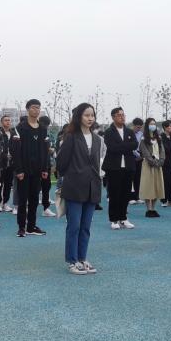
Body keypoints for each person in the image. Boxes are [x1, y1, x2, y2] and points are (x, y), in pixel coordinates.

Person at [56, 103, 103, 273]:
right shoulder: (71, 137)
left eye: (92, 115)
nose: (90, 118)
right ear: (79, 117)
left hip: (92, 187)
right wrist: (73, 174)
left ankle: (82, 258)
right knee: (74, 226)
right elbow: (61, 162)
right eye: (86, 115)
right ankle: (72, 260)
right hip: (74, 187)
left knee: (85, 227)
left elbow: (97, 163)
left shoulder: (97, 139)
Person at [14, 100, 50, 237]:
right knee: (23, 200)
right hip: (24, 170)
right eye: (34, 107)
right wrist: (19, 170)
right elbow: (16, 151)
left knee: (34, 200)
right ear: (28, 109)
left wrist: (45, 168)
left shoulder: (43, 129)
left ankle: (31, 226)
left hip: (37, 170)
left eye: (38, 108)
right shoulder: (20, 128)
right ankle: (21, 227)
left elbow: (45, 150)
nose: (36, 110)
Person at [102, 107, 139, 230]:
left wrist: (122, 146)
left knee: (126, 194)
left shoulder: (129, 131)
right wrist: (126, 146)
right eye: (119, 115)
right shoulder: (109, 132)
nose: (122, 117)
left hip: (128, 167)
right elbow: (112, 147)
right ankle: (114, 219)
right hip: (114, 167)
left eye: (123, 115)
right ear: (113, 117)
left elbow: (135, 145)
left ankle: (123, 218)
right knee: (114, 194)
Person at [138, 118, 165, 218]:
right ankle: (148, 209)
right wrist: (153, 162)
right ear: (147, 125)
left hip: (158, 165)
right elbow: (145, 152)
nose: (153, 125)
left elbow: (162, 151)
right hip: (148, 165)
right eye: (151, 124)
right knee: (148, 186)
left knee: (156, 186)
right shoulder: (143, 139)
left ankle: (153, 208)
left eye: (154, 124)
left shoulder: (159, 138)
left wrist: (161, 160)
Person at [160, 120, 171, 208]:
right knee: (166, 181)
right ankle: (164, 199)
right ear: (165, 127)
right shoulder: (161, 137)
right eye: (169, 126)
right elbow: (165, 148)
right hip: (165, 162)